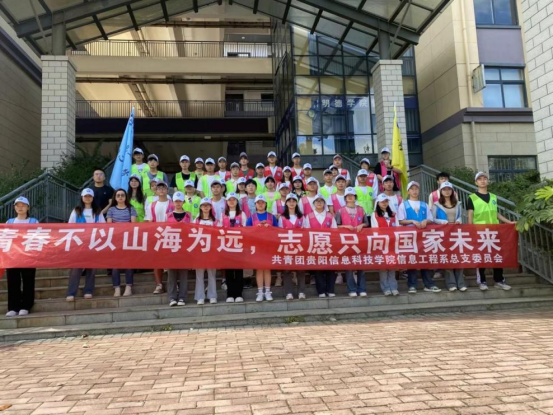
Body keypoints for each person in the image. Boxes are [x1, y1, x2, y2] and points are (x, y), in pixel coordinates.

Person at [468, 171, 515, 291]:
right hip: (480, 232)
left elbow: (496, 213)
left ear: (488, 181)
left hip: (494, 231)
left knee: (497, 256)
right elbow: (470, 215)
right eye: (480, 179)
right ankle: (482, 281)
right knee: (481, 256)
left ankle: (499, 280)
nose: (482, 181)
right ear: (476, 182)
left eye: (485, 178)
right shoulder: (472, 197)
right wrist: (470, 230)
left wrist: (509, 222)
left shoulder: (493, 197)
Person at [398, 181, 440, 294]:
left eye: (416, 189)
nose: (414, 191)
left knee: (424, 259)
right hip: (410, 236)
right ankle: (412, 285)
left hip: (423, 237)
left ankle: (428, 284)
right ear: (408, 191)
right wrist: (412, 221)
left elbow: (430, 219)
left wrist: (426, 220)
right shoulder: (404, 205)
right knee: (412, 260)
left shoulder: (424, 204)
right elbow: (400, 220)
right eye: (412, 189)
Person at [66, 189, 106, 302]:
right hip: (79, 244)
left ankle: (88, 290)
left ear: (92, 198)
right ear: (82, 197)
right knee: (76, 269)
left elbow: (103, 227)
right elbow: (70, 226)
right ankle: (71, 292)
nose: (87, 198)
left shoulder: (97, 211)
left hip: (93, 243)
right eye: (85, 196)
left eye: (89, 196)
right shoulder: (76, 211)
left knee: (91, 268)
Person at [5, 196, 38, 317]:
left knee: (28, 281)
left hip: (28, 256)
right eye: (18, 205)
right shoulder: (9, 222)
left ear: (28, 207)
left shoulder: (34, 221)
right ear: (14, 207)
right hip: (12, 256)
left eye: (23, 205)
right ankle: (13, 307)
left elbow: (38, 238)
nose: (20, 207)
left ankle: (26, 306)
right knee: (13, 281)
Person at [432, 181, 466, 292]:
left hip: (456, 234)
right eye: (444, 189)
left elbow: (460, 216)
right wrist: (442, 222)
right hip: (444, 234)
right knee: (447, 258)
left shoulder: (458, 204)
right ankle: (451, 283)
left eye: (449, 189)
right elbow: (433, 219)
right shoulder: (436, 204)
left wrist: (459, 220)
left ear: (452, 191)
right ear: (441, 191)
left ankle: (461, 283)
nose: (447, 191)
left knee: (458, 258)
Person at [336, 187, 369, 297]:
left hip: (360, 241)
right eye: (348, 196)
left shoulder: (361, 209)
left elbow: (367, 223)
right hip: (346, 242)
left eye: (352, 196)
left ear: (355, 197)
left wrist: (362, 225)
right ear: (345, 198)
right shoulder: (340, 211)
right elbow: (336, 225)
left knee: (361, 265)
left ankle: (362, 288)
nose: (350, 197)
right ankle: (352, 289)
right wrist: (345, 226)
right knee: (349, 266)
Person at [303, 194, 338, 297]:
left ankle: (330, 290)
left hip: (329, 246)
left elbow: (335, 230)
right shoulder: (309, 216)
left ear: (324, 203)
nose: (319, 203)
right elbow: (306, 232)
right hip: (315, 246)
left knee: (330, 268)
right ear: (314, 204)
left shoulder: (330, 216)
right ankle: (321, 291)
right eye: (317, 201)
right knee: (318, 269)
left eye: (321, 201)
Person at [246, 195, 278, 302]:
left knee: (267, 269)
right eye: (258, 203)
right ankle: (260, 292)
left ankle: (268, 292)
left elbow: (278, 231)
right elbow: (246, 232)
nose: (260, 204)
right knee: (259, 269)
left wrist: (270, 228)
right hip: (257, 246)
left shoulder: (271, 217)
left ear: (265, 204)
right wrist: (256, 228)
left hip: (268, 246)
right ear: (255, 204)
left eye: (262, 202)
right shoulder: (252, 217)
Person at [145, 181, 174, 294]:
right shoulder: (151, 205)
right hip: (157, 235)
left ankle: (173, 284)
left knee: (171, 261)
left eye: (163, 187)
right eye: (159, 188)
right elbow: (149, 221)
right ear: (155, 191)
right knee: (157, 261)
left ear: (167, 190)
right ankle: (159, 284)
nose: (161, 189)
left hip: (171, 235)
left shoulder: (173, 204)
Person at [107, 189, 137, 297]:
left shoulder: (131, 208)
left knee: (128, 263)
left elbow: (133, 224)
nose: (120, 197)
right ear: (115, 197)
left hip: (128, 239)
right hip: (115, 240)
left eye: (122, 195)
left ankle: (129, 287)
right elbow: (109, 225)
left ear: (125, 197)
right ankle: (117, 288)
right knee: (115, 265)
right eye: (118, 195)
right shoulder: (111, 209)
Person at [278, 194, 306, 300]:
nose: (291, 203)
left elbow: (306, 231)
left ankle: (301, 292)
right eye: (289, 201)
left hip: (300, 246)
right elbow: (279, 232)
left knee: (301, 269)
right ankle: (288, 292)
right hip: (287, 246)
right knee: (287, 270)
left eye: (293, 201)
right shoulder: (282, 217)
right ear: (286, 203)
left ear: (296, 203)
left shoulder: (302, 217)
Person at [371, 194, 400, 296]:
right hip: (381, 244)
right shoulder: (374, 214)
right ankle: (385, 288)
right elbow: (374, 229)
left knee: (392, 264)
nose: (384, 203)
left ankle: (393, 287)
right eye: (382, 201)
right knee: (383, 266)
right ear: (378, 203)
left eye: (386, 201)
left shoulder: (393, 214)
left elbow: (398, 228)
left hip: (392, 243)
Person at [166, 192, 191, 307]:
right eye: (176, 201)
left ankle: (182, 297)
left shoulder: (189, 216)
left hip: (184, 248)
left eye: (180, 201)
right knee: (171, 274)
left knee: (183, 274)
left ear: (183, 202)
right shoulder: (168, 216)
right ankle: (172, 297)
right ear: (173, 202)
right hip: (171, 248)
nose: (178, 203)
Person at [221, 193, 247, 303]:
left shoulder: (242, 214)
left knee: (239, 271)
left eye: (234, 199)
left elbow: (246, 229)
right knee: (229, 271)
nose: (231, 201)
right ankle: (230, 294)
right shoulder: (223, 214)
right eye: (229, 200)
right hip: (227, 246)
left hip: (239, 246)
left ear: (237, 202)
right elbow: (219, 229)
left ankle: (239, 294)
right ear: (226, 202)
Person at [194, 198, 219, 305]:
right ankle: (200, 297)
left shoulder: (215, 221)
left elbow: (219, 235)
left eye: (207, 205)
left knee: (211, 274)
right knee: (199, 274)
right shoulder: (196, 220)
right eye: (203, 205)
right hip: (199, 250)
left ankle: (212, 296)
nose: (205, 207)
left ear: (210, 207)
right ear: (200, 207)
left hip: (212, 250)